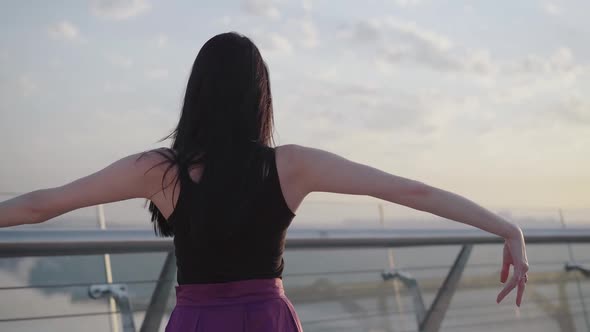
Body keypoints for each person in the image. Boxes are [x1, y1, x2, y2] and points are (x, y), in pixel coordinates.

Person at [0, 31, 529, 331]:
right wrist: (506, 227)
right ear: (261, 96)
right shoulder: (291, 166)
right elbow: (407, 190)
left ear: (197, 93)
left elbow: (43, 205)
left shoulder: (163, 171)